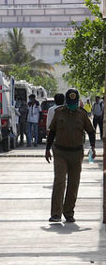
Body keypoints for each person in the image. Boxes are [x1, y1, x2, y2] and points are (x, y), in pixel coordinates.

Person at [44, 88, 97, 223]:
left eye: (74, 102)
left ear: (77, 101)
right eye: (70, 102)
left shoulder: (82, 114)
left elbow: (91, 131)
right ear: (66, 102)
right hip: (60, 152)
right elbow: (52, 132)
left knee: (73, 184)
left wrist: (93, 147)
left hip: (76, 153)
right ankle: (56, 213)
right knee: (60, 182)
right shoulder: (59, 113)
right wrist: (47, 149)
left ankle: (69, 212)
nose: (72, 105)